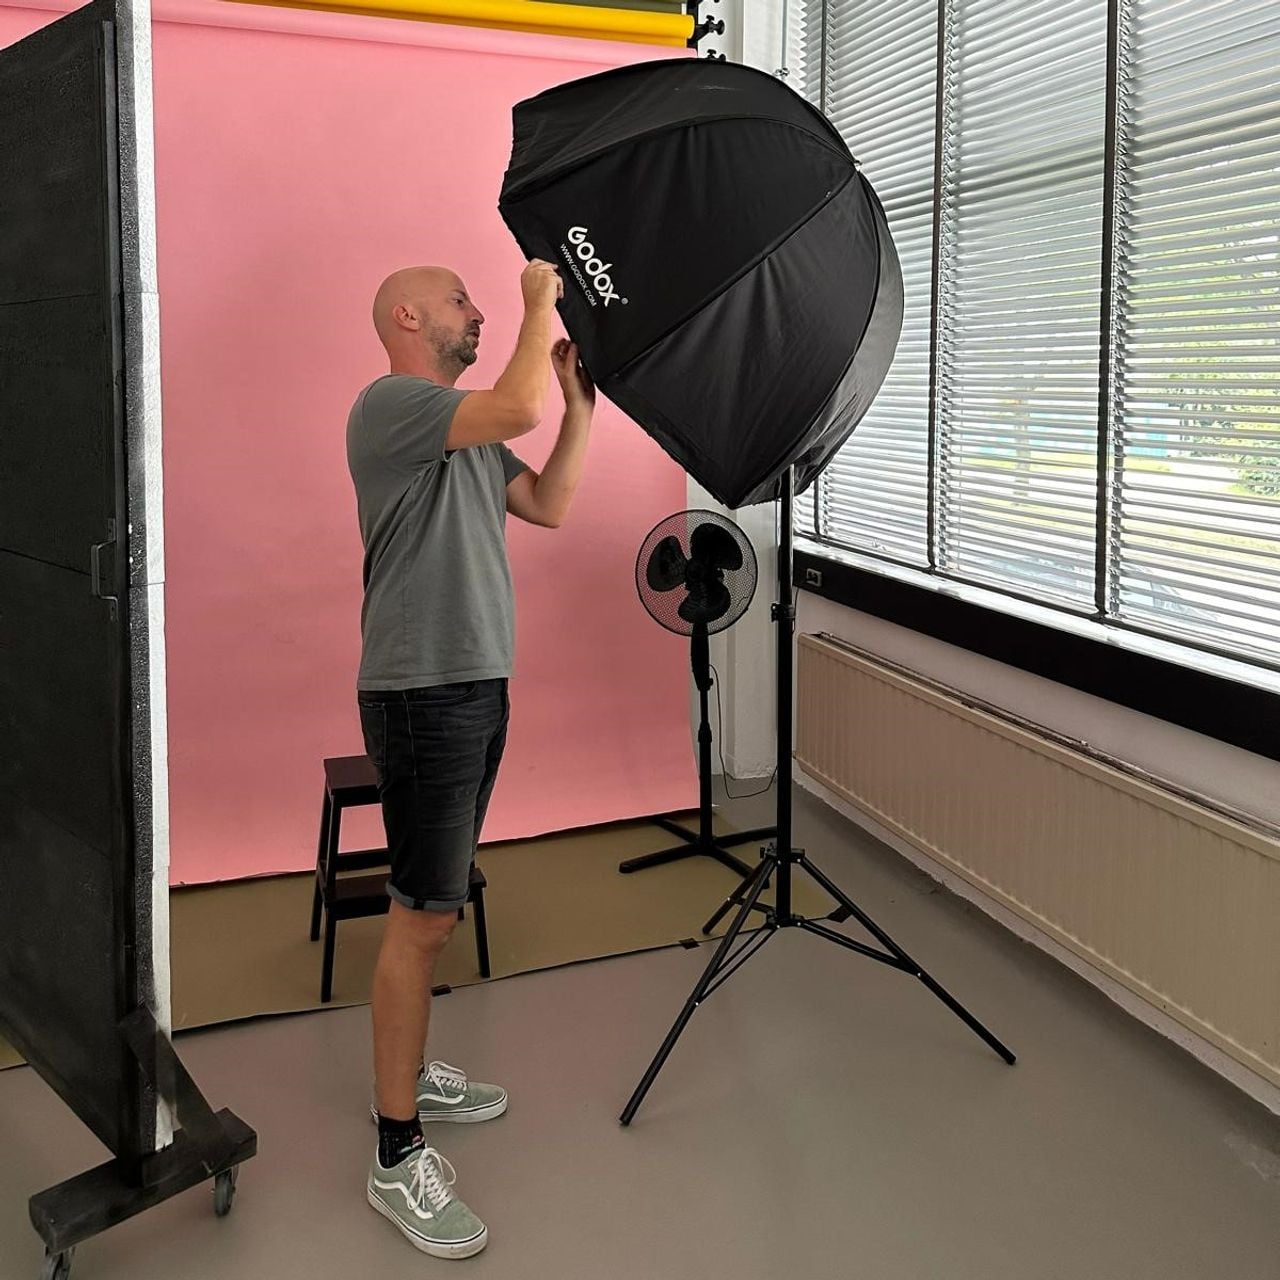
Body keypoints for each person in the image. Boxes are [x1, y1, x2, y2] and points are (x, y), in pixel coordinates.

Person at [346, 259, 595, 1258]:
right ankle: (394, 1151)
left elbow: (547, 505)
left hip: (475, 683)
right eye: (459, 298)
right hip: (421, 690)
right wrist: (542, 305)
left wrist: (578, 404)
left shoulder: (464, 424)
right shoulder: (391, 406)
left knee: (435, 903)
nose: (479, 309)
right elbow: (513, 410)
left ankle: (414, 1071)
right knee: (422, 916)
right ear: (405, 315)